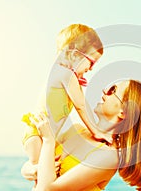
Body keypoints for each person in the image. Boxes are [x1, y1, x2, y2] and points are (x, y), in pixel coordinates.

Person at [23, 80, 141, 191]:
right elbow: (31, 165)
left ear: (123, 112)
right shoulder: (77, 130)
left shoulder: (109, 157)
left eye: (112, 90)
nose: (104, 92)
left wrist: (48, 140)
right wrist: (33, 170)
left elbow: (48, 189)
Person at [21, 24, 111, 177]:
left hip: (43, 134)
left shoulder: (66, 75)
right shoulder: (65, 74)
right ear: (74, 55)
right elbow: (81, 106)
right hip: (37, 132)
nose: (91, 69)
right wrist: (95, 131)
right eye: (92, 62)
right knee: (40, 170)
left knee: (47, 170)